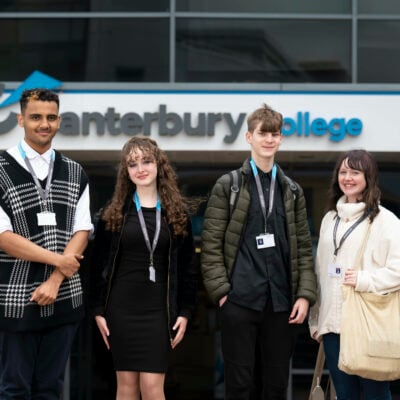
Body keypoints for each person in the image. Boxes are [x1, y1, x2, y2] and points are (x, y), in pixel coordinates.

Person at [201, 103, 317, 400]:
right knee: (240, 385)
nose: (268, 139)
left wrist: (304, 295)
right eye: (262, 133)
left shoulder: (292, 190)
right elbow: (211, 245)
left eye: (274, 134)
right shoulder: (229, 185)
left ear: (280, 139)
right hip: (239, 299)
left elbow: (304, 247)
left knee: (276, 386)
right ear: (249, 137)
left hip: (281, 302)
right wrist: (222, 294)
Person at [0, 88, 93, 399]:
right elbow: (3, 238)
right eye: (36, 117)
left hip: (65, 296)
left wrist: (55, 279)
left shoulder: (75, 171)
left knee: (50, 390)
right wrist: (58, 261)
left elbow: (82, 230)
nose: (44, 124)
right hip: (14, 300)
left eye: (51, 117)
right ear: (21, 119)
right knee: (14, 390)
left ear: (59, 121)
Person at [92, 136, 198, 400]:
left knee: (152, 387)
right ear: (126, 172)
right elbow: (97, 265)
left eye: (146, 161)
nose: (140, 168)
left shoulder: (177, 214)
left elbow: (188, 269)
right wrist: (97, 310)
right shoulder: (114, 213)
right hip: (121, 308)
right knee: (126, 387)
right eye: (132, 164)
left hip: (158, 310)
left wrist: (185, 311)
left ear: (158, 165)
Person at [309, 149, 400, 400]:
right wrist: (316, 320)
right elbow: (320, 273)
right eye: (343, 172)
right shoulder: (329, 219)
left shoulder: (386, 221)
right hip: (332, 327)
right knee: (344, 395)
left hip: (367, 325)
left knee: (375, 394)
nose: (347, 178)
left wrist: (363, 279)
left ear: (368, 177)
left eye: (355, 172)